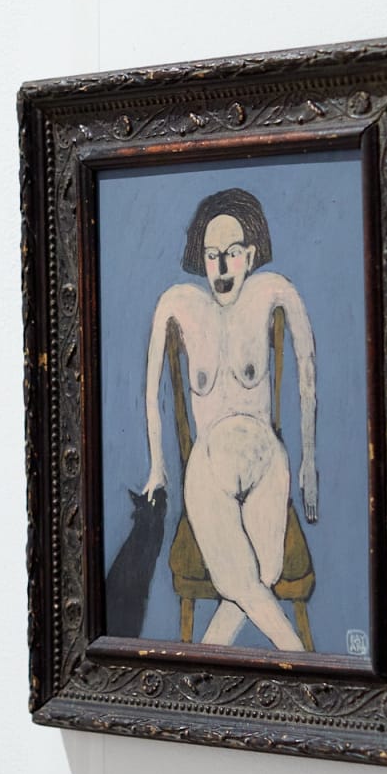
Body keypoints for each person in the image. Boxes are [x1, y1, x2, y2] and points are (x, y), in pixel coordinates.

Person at [136, 189, 317, 650]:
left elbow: (307, 372)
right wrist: (157, 465)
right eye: (211, 255)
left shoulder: (273, 290)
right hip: (208, 467)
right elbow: (150, 390)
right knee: (244, 579)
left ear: (250, 256)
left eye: (232, 253)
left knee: (262, 573)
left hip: (267, 461)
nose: (220, 267)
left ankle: (201, 660)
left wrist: (309, 462)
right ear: (201, 258)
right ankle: (297, 656)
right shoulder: (177, 302)